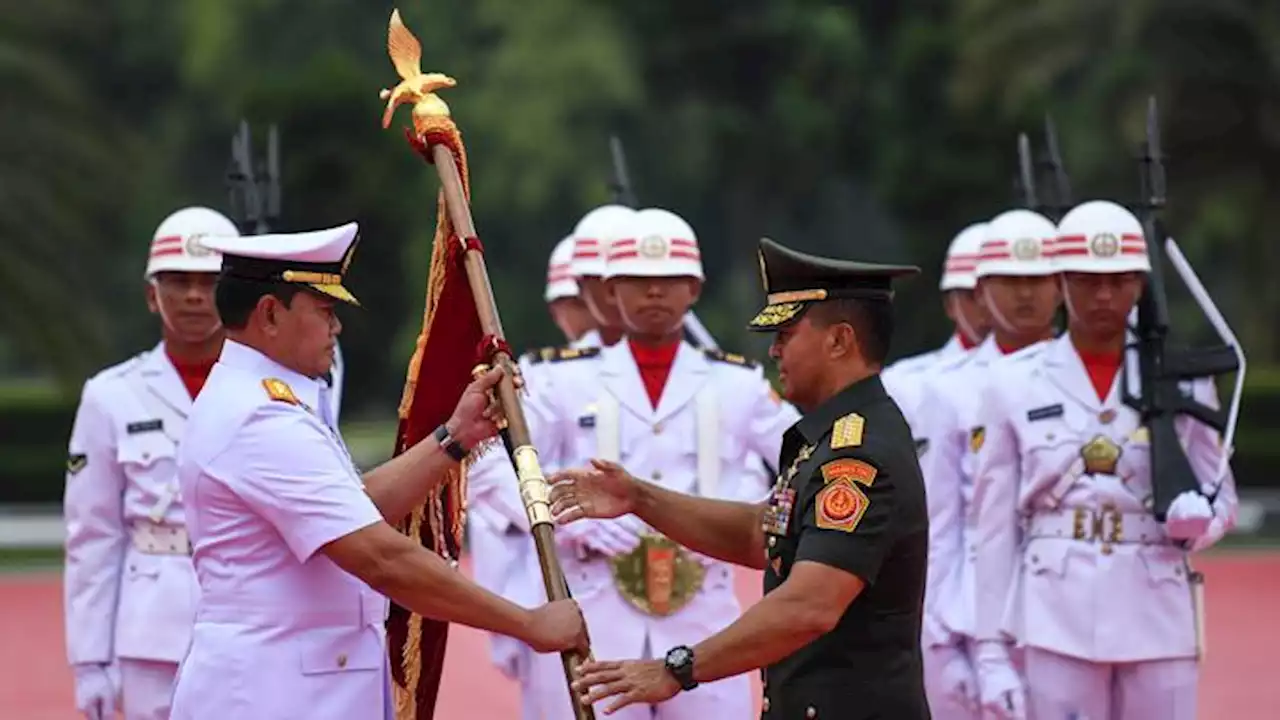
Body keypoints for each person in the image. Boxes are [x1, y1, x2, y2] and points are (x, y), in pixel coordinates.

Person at [168, 221, 588, 720]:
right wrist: (527, 622)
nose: (336, 328)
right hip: (273, 693)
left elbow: (354, 504)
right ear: (269, 314)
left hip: (295, 686)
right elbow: (381, 557)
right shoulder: (259, 417)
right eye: (325, 311)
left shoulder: (266, 402)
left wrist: (456, 437)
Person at [549, 237, 931, 719]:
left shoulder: (857, 456)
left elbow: (809, 605)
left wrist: (678, 669)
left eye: (787, 334)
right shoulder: (830, 438)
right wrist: (638, 497)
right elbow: (762, 534)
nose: (773, 350)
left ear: (838, 341)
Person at [509, 208, 798, 720]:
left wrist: (747, 515)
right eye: (639, 282)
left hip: (705, 617)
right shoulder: (559, 380)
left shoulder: (738, 383)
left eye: (670, 281)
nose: (655, 294)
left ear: (695, 289)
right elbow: (500, 468)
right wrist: (564, 523)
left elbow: (806, 461)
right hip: (595, 606)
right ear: (611, 292)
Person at [970, 200, 1238, 720]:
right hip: (1055, 613)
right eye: (1088, 280)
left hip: (1157, 608)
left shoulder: (1183, 378)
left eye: (1119, 280)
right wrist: (990, 651)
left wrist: (1201, 523)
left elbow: (1221, 492)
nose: (1104, 295)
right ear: (1062, 282)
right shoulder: (1012, 383)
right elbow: (994, 527)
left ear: (1140, 284)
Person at [62, 206, 242, 720]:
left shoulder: (271, 388)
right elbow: (92, 536)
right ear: (150, 294)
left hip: (248, 618)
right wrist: (90, 662)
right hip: (152, 630)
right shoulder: (109, 397)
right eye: (176, 280)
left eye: (208, 282)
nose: (192, 296)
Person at [913, 209, 1061, 719]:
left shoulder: (1084, 379)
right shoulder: (948, 389)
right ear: (979, 292)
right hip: (974, 615)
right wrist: (935, 634)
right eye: (1010, 282)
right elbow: (938, 522)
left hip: (1067, 604)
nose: (1026, 295)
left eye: (1038, 280)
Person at [467, 233, 597, 720]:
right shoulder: (541, 378)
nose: (576, 314)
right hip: (558, 573)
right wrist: (566, 516)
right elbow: (485, 467)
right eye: (567, 302)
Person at [881, 221, 991, 398]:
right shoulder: (905, 385)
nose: (989, 305)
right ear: (950, 305)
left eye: (998, 294)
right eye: (973, 296)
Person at [570, 204, 636, 348]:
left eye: (627, 279)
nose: (616, 294)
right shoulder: (552, 370)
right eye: (604, 282)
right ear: (580, 287)